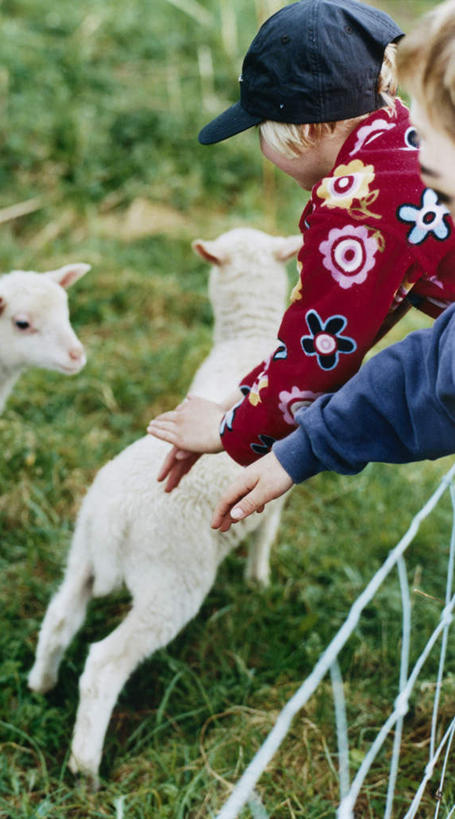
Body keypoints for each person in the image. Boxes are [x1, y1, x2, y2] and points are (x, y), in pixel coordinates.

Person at [146, 0, 455, 495]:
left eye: (260, 132)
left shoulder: (356, 210)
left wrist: (228, 430)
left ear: (308, 130)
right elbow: (350, 324)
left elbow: (322, 350)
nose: (263, 152)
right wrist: (241, 397)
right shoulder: (398, 134)